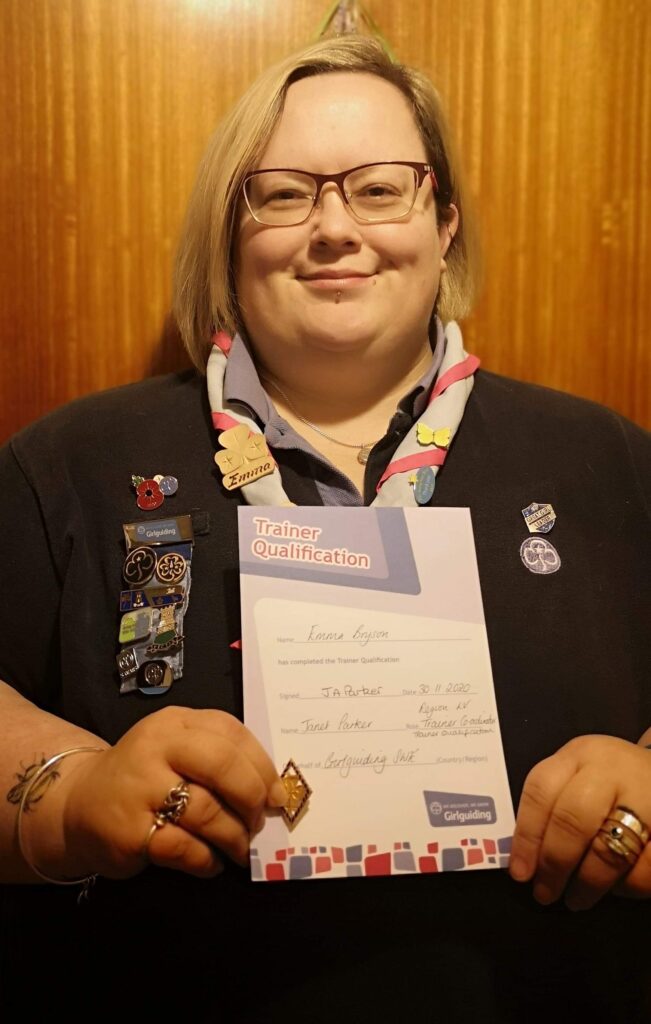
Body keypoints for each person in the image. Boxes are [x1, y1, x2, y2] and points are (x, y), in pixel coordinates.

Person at [1, 35, 649, 1023]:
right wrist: (69, 798)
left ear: (444, 222)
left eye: (380, 189)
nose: (335, 228)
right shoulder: (67, 465)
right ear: (231, 231)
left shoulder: (611, 462)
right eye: (284, 193)